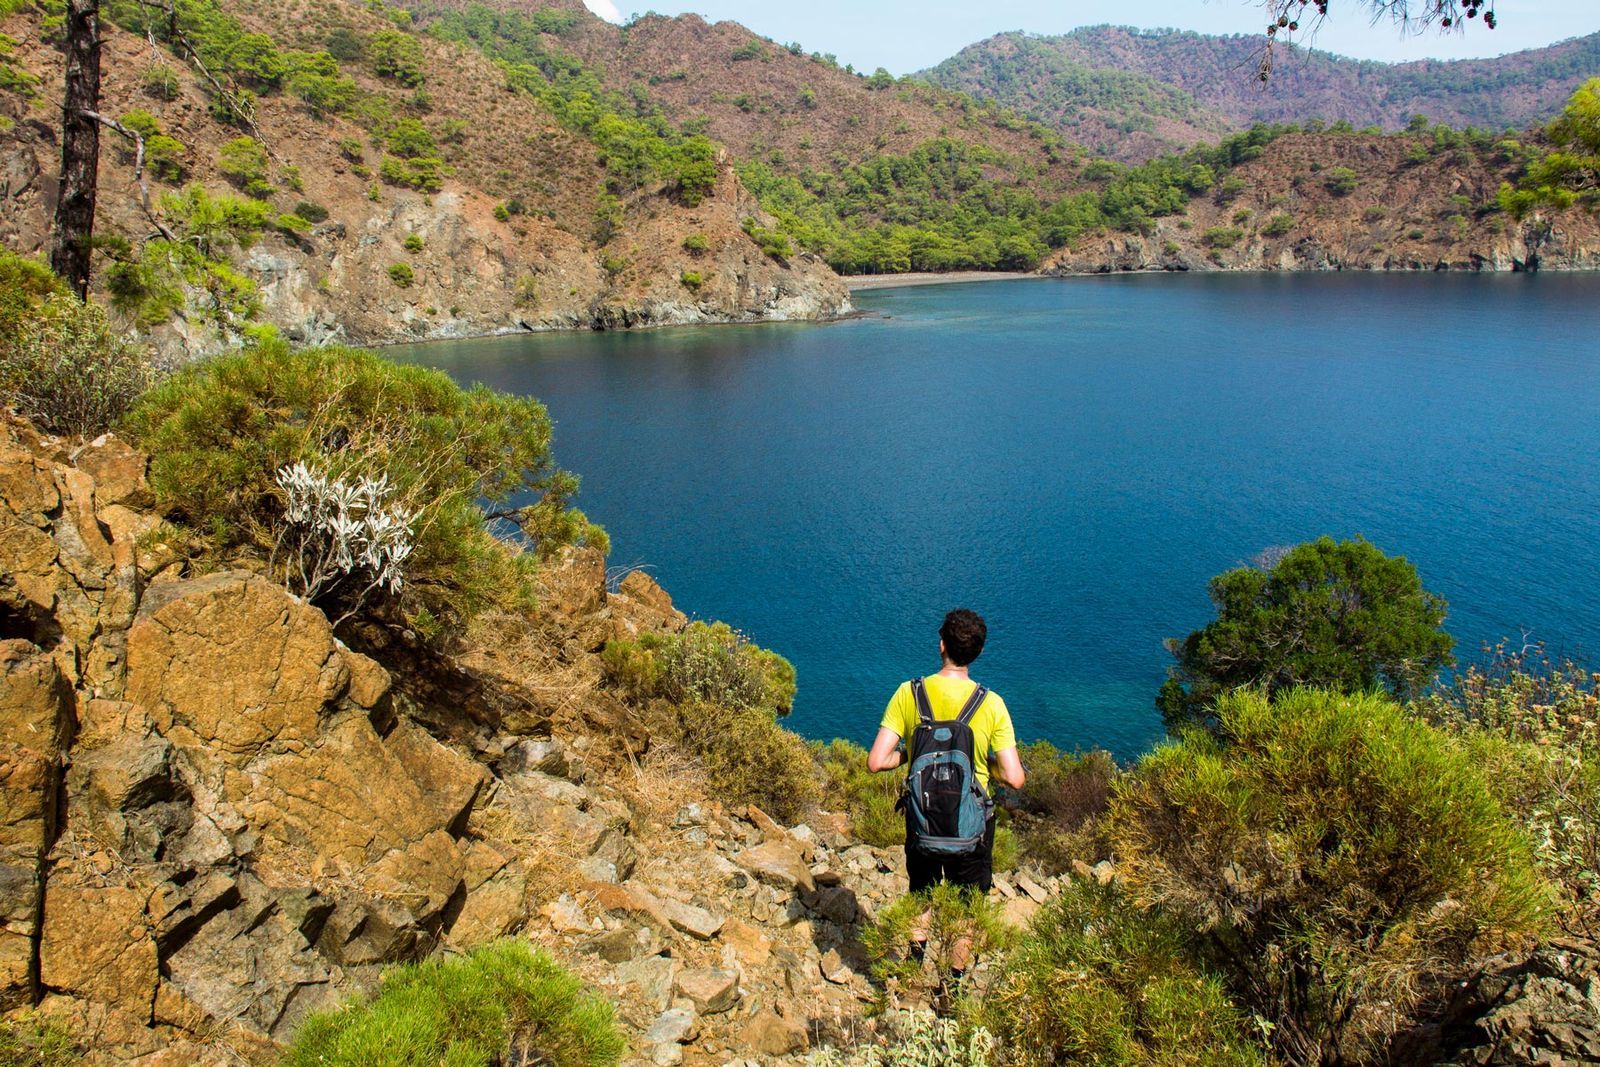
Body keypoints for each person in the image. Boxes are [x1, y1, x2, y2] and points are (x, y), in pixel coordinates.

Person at [866, 608, 1024, 972]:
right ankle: (952, 987)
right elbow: (1014, 778)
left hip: (922, 820)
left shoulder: (909, 694)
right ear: (979, 652)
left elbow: (876, 761)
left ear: (941, 645)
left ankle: (912, 969)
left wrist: (909, 753)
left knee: (921, 892)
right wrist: (988, 766)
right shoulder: (991, 704)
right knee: (967, 908)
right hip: (971, 827)